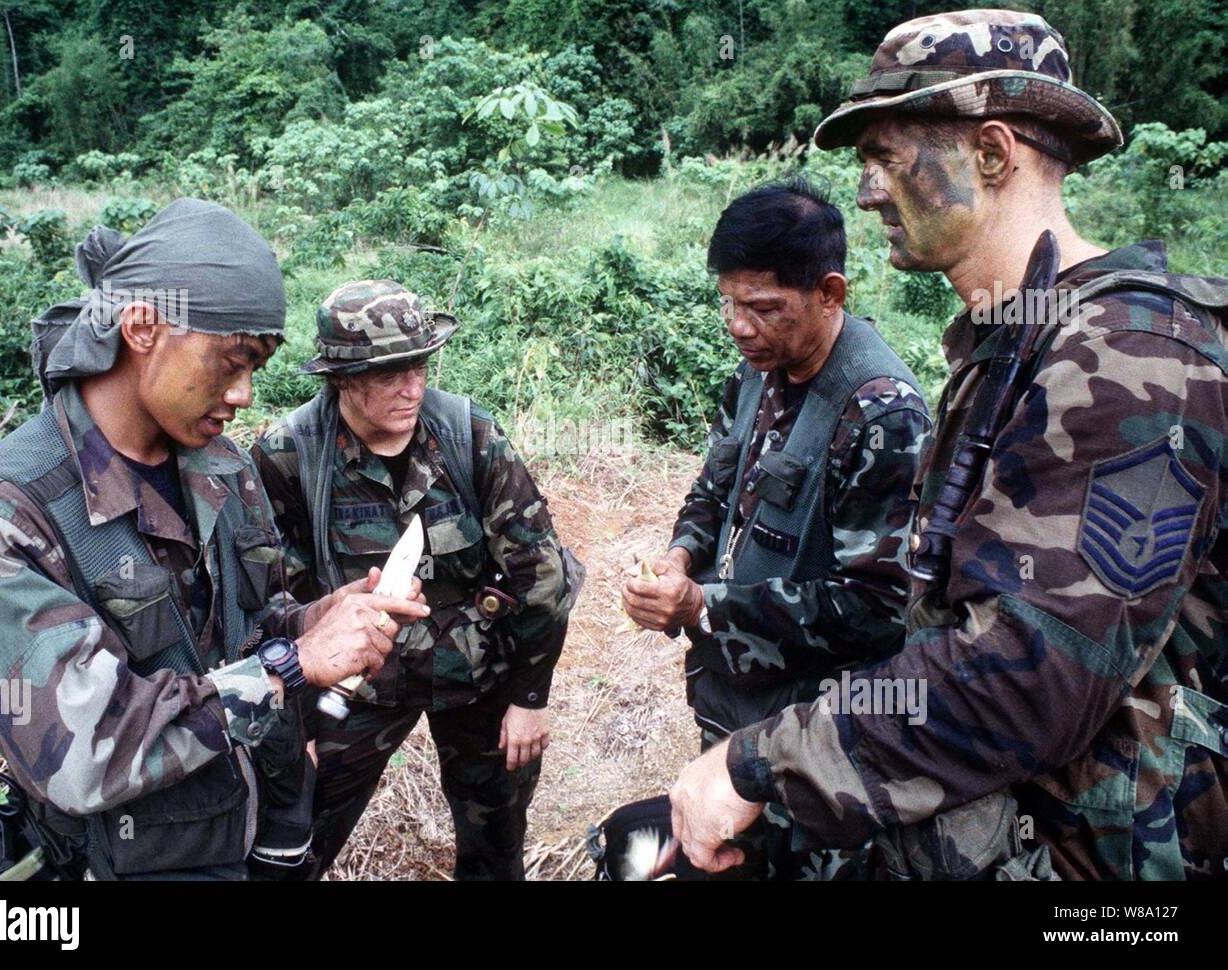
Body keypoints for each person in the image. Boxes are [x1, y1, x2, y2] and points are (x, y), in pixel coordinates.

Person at [669, 9, 1228, 880]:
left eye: (886, 158)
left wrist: (761, 762)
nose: (864, 192)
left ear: (994, 155)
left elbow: (1028, 676)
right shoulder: (1019, 342)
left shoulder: (1130, 354)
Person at [0, 199, 429, 880]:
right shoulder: (5, 515)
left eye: (257, 365)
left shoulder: (220, 466)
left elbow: (247, 630)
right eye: (232, 361)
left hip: (249, 842)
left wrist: (316, 621)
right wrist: (291, 668)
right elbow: (83, 753)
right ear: (142, 327)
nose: (246, 393)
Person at [622, 178, 932, 878]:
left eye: (763, 308)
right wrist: (678, 559)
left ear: (830, 293)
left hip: (818, 728)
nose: (739, 325)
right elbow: (714, 488)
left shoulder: (882, 415)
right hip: (737, 692)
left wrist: (705, 604)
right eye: (729, 302)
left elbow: (879, 609)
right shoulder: (757, 370)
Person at [252, 279, 579, 880]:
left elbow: (542, 578)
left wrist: (530, 699)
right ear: (341, 379)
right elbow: (270, 599)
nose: (412, 388)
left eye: (420, 366)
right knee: (291, 840)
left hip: (478, 675)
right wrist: (291, 721)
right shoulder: (289, 454)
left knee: (496, 845)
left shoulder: (467, 435)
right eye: (388, 375)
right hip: (356, 685)